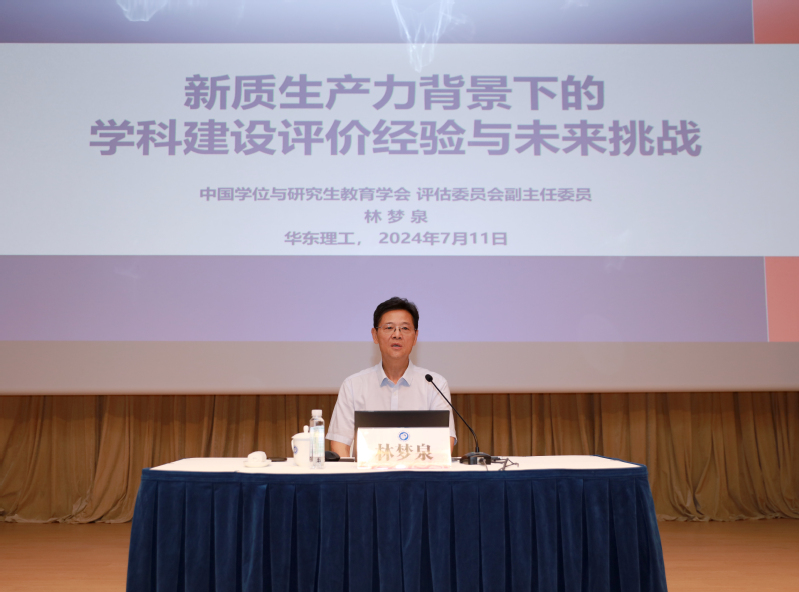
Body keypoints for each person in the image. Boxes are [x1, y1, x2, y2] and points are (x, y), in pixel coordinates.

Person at [327, 296, 457, 457]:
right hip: (366, 473)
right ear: (375, 335)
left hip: (419, 473)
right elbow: (339, 446)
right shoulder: (353, 385)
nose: (397, 335)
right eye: (389, 327)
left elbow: (443, 446)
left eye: (405, 328)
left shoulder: (434, 384)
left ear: (415, 337)